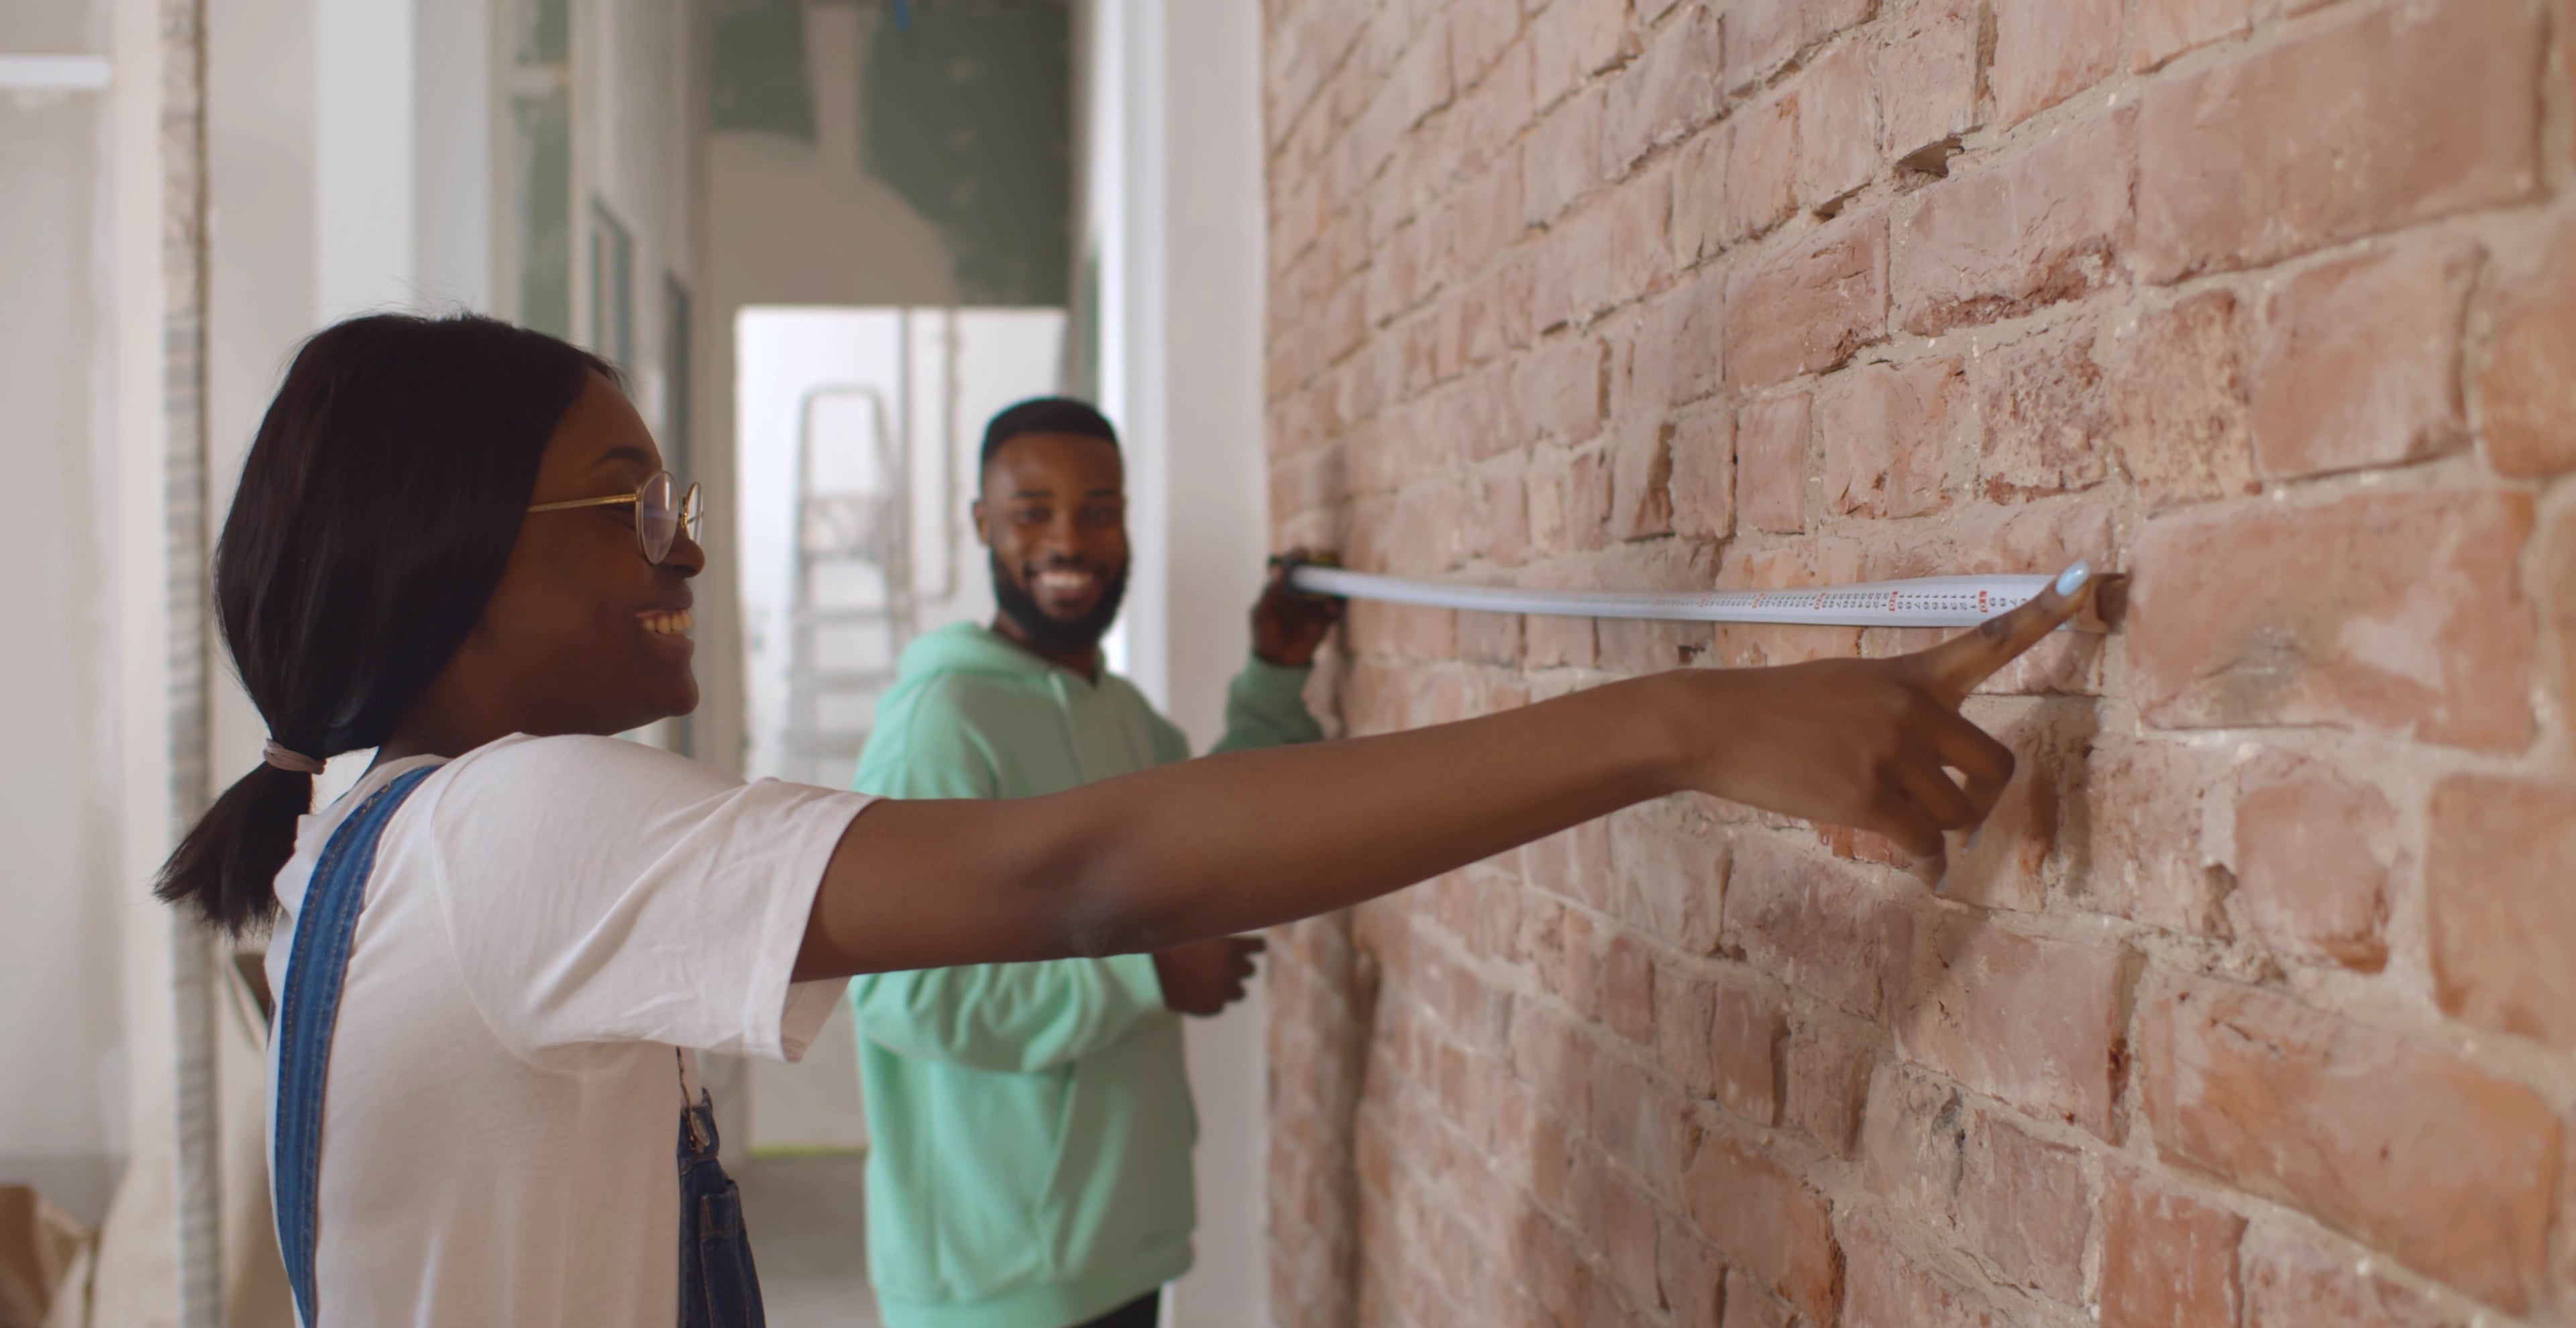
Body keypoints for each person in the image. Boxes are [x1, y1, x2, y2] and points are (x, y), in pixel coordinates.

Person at [157, 311, 2093, 1328]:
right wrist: (1685, 722)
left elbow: (1186, 794)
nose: (687, 546)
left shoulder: (379, 837)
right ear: (458, 559)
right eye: (631, 504)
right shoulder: (515, 831)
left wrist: (1276, 686)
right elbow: (1084, 872)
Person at [844, 398, 1340, 1328]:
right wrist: (1145, 975)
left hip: (1120, 1237)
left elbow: (1225, 834)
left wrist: (1274, 674)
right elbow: (900, 997)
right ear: (982, 526)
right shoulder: (943, 724)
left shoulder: (1129, 719)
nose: (1069, 538)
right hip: (995, 1274)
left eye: (1098, 509)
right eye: (1031, 511)